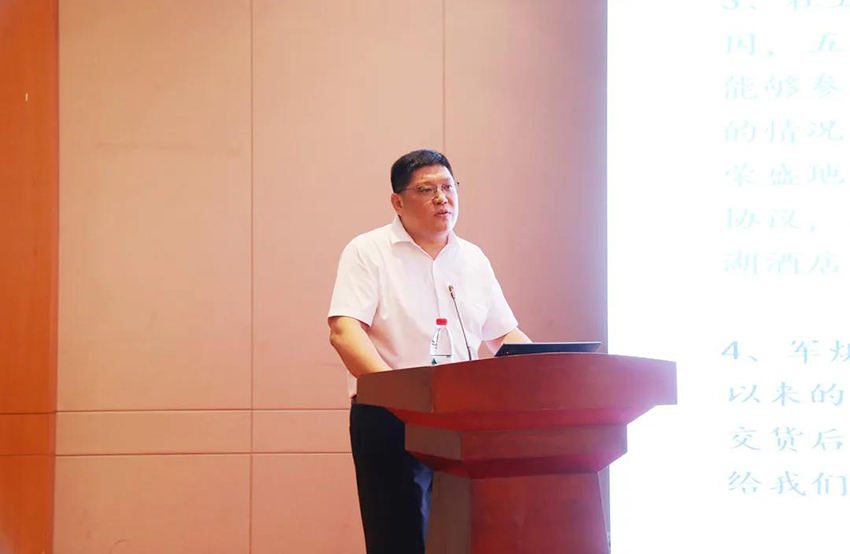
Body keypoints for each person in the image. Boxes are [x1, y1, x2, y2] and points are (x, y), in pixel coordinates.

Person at [327, 149, 531, 554]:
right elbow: (345, 332)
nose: (442, 198)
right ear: (398, 201)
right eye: (426, 190)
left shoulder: (472, 259)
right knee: (400, 538)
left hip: (463, 417)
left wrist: (552, 369)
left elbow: (504, 335)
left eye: (448, 187)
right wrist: (400, 394)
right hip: (391, 416)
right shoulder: (368, 251)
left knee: (465, 536)